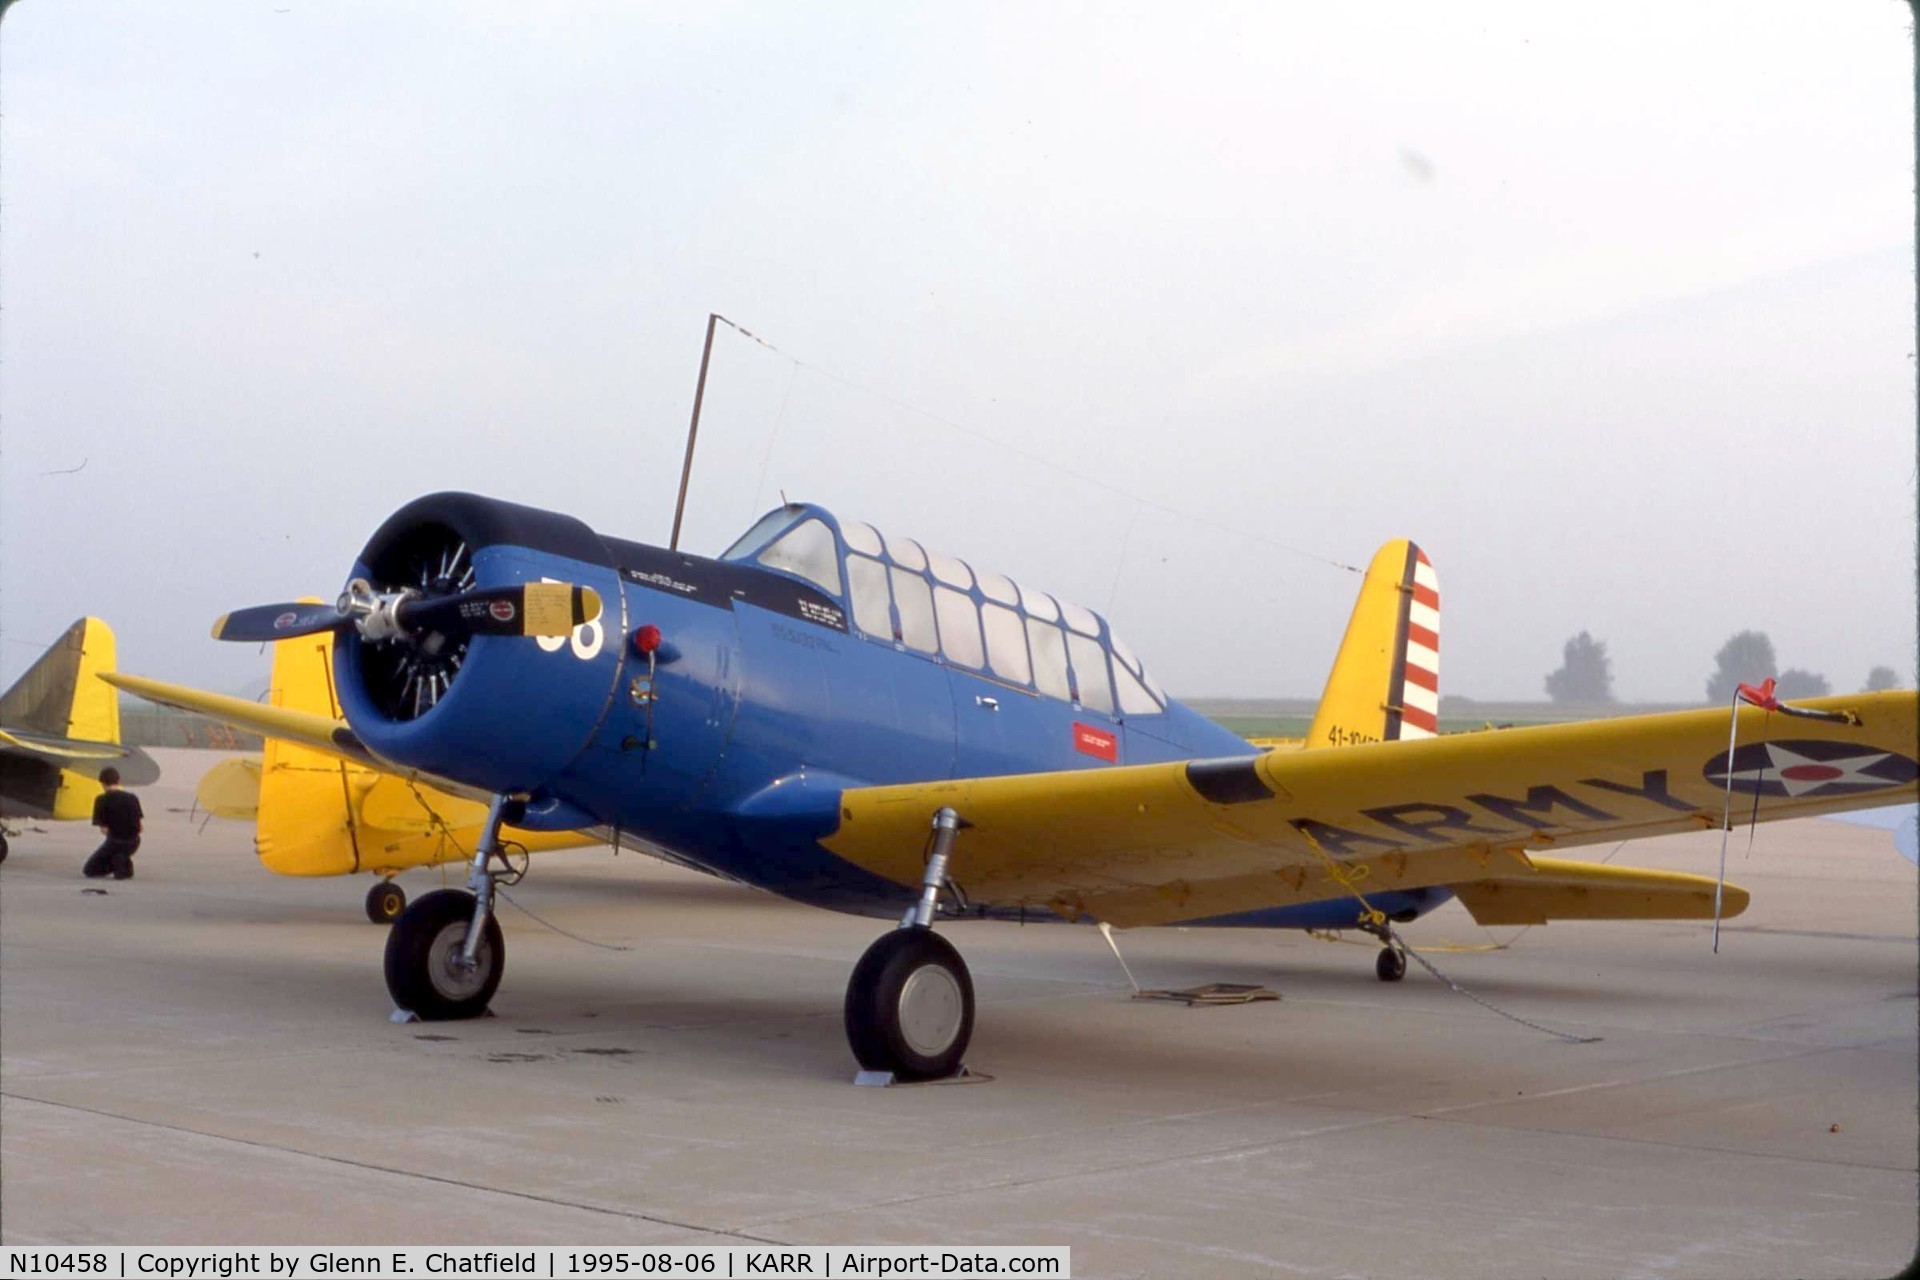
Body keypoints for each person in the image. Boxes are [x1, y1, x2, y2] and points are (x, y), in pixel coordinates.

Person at [82, 766, 143, 880]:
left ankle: (118, 860)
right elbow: (140, 827)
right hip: (134, 842)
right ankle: (123, 860)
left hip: (115, 841)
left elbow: (104, 829)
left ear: (102, 783)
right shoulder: (132, 798)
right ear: (118, 781)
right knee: (121, 852)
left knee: (89, 870)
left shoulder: (101, 800)